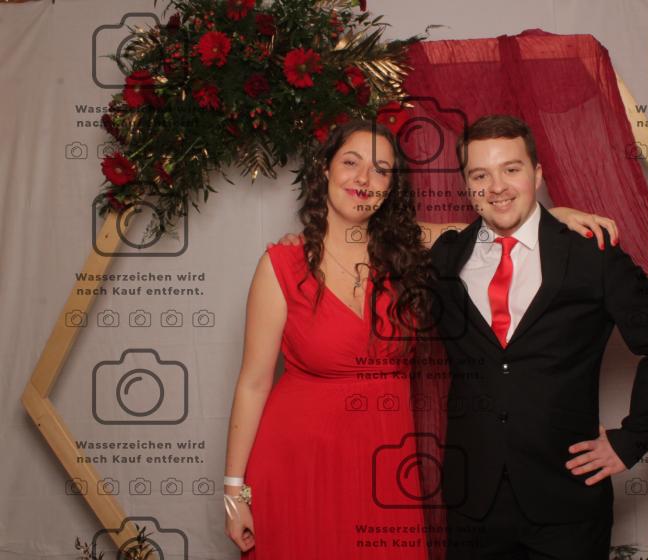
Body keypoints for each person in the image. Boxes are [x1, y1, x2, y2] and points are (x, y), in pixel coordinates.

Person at [224, 118, 620, 559]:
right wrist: (234, 492)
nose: (363, 178)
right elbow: (253, 384)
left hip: (386, 458)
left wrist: (552, 218)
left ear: (391, 185)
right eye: (351, 163)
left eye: (380, 169)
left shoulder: (411, 249)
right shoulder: (282, 264)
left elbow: (494, 225)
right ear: (325, 170)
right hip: (298, 462)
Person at [429, 115, 648, 559]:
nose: (497, 186)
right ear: (466, 185)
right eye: (480, 175)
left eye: (511, 169)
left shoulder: (590, 253)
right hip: (473, 505)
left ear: (536, 174)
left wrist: (630, 441)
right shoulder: (445, 258)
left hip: (568, 502)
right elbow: (377, 234)